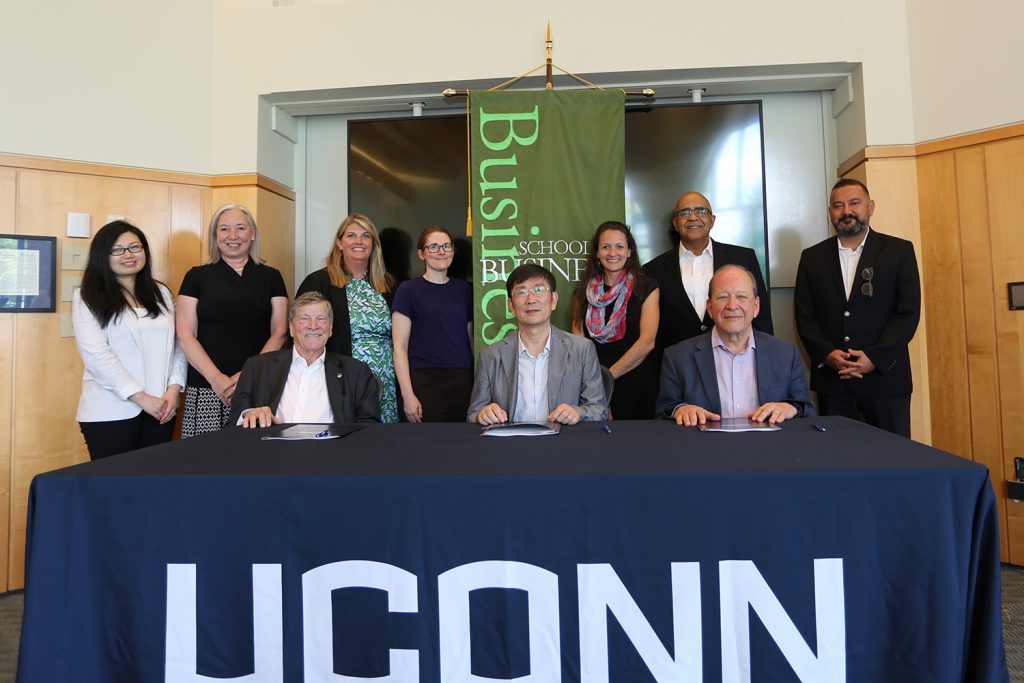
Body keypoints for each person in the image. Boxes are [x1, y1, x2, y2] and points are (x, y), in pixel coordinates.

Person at [794, 178, 921, 437]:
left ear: (870, 206)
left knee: (891, 459)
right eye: (838, 206)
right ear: (830, 212)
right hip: (834, 381)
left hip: (886, 379)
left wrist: (875, 357)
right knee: (837, 461)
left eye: (854, 203)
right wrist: (826, 354)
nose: (846, 211)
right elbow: (804, 316)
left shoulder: (899, 251)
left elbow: (907, 313)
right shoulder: (812, 257)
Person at [73, 220, 187, 458]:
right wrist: (141, 398)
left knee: (154, 482)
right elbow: (96, 354)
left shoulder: (161, 293)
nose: (128, 255)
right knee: (114, 486)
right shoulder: (87, 296)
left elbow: (177, 345)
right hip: (110, 411)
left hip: (162, 409)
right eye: (118, 250)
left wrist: (173, 390)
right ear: (103, 256)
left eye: (135, 247)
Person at [176, 204, 289, 437]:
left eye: (240, 228)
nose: (233, 236)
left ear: (253, 233)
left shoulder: (271, 277)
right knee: (205, 463)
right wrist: (217, 379)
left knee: (254, 461)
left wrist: (249, 375)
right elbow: (185, 334)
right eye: (224, 229)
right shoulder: (196, 276)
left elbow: (280, 332)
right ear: (215, 235)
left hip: (258, 384)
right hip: (207, 386)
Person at [657, 265, 812, 426]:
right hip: (705, 447)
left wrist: (790, 408)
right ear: (710, 307)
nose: (732, 305)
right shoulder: (677, 357)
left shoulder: (786, 354)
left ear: (756, 306)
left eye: (742, 297)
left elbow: (805, 408)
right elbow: (664, 411)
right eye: (723, 297)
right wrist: (680, 410)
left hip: (768, 447)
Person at [467, 264, 608, 425]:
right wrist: (482, 414)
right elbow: (473, 414)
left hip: (562, 443)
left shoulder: (581, 349)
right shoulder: (491, 355)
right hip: (510, 444)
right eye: (521, 292)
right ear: (511, 306)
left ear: (553, 300)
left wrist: (578, 412)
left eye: (539, 290)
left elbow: (599, 409)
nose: (531, 299)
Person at [642, 191, 773, 362]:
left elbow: (761, 318)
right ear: (675, 223)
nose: (693, 217)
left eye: (701, 211)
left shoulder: (743, 258)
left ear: (713, 220)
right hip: (679, 369)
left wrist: (766, 361)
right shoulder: (653, 270)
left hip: (739, 362)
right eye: (685, 212)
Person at [296, 213, 399, 423]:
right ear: (339, 243)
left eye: (366, 236)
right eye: (351, 235)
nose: (359, 242)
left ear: (373, 244)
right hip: (339, 377)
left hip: (386, 377)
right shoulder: (318, 281)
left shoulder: (389, 284)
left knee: (384, 443)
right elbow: (300, 334)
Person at [229, 292, 381, 426]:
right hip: (272, 453)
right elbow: (235, 419)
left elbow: (369, 427)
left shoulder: (356, 372)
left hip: (332, 454)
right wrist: (249, 415)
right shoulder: (257, 367)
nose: (313, 326)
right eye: (305, 319)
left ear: (331, 328)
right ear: (291, 327)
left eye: (321, 319)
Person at [571, 221, 660, 419]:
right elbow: (579, 345)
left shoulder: (647, 288)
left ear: (629, 251)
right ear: (597, 253)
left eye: (619, 246)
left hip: (635, 381)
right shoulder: (582, 292)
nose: (613, 253)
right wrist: (595, 387)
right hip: (592, 385)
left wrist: (607, 379)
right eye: (606, 247)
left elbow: (647, 342)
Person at [391, 226, 474, 422]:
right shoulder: (408, 290)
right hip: (424, 382)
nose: (441, 251)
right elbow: (399, 347)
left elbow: (471, 340)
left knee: (462, 446)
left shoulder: (465, 290)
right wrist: (407, 395)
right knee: (427, 447)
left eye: (446, 246)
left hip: (463, 382)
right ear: (421, 253)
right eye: (434, 246)